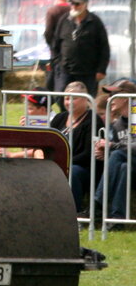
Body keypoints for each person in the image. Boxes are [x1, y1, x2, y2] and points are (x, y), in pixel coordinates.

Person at [50, 80, 103, 214]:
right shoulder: (59, 118)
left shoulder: (93, 120)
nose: (69, 102)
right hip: (58, 165)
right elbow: (48, 142)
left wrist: (63, 164)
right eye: (67, 98)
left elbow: (88, 154)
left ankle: (74, 215)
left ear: (86, 99)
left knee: (72, 172)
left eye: (74, 98)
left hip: (85, 169)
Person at [93, 79, 136, 229]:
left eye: (114, 94)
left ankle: (98, 201)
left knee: (118, 156)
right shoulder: (117, 123)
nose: (109, 99)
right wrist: (106, 152)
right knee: (124, 167)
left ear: (125, 98)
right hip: (130, 166)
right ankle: (118, 218)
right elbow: (121, 150)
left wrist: (112, 146)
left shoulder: (135, 116)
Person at [51, 0, 110, 100]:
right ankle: (66, 117)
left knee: (87, 100)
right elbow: (55, 44)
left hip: (88, 72)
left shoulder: (95, 22)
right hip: (65, 70)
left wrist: (101, 70)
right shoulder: (64, 20)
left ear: (85, 5)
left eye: (77, 4)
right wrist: (57, 64)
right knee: (61, 98)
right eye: (72, 3)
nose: (74, 6)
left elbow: (104, 48)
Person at [0, 91, 49, 158]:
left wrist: (12, 155)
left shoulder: (51, 122)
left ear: (42, 110)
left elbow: (42, 151)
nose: (26, 112)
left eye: (29, 108)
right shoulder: (38, 122)